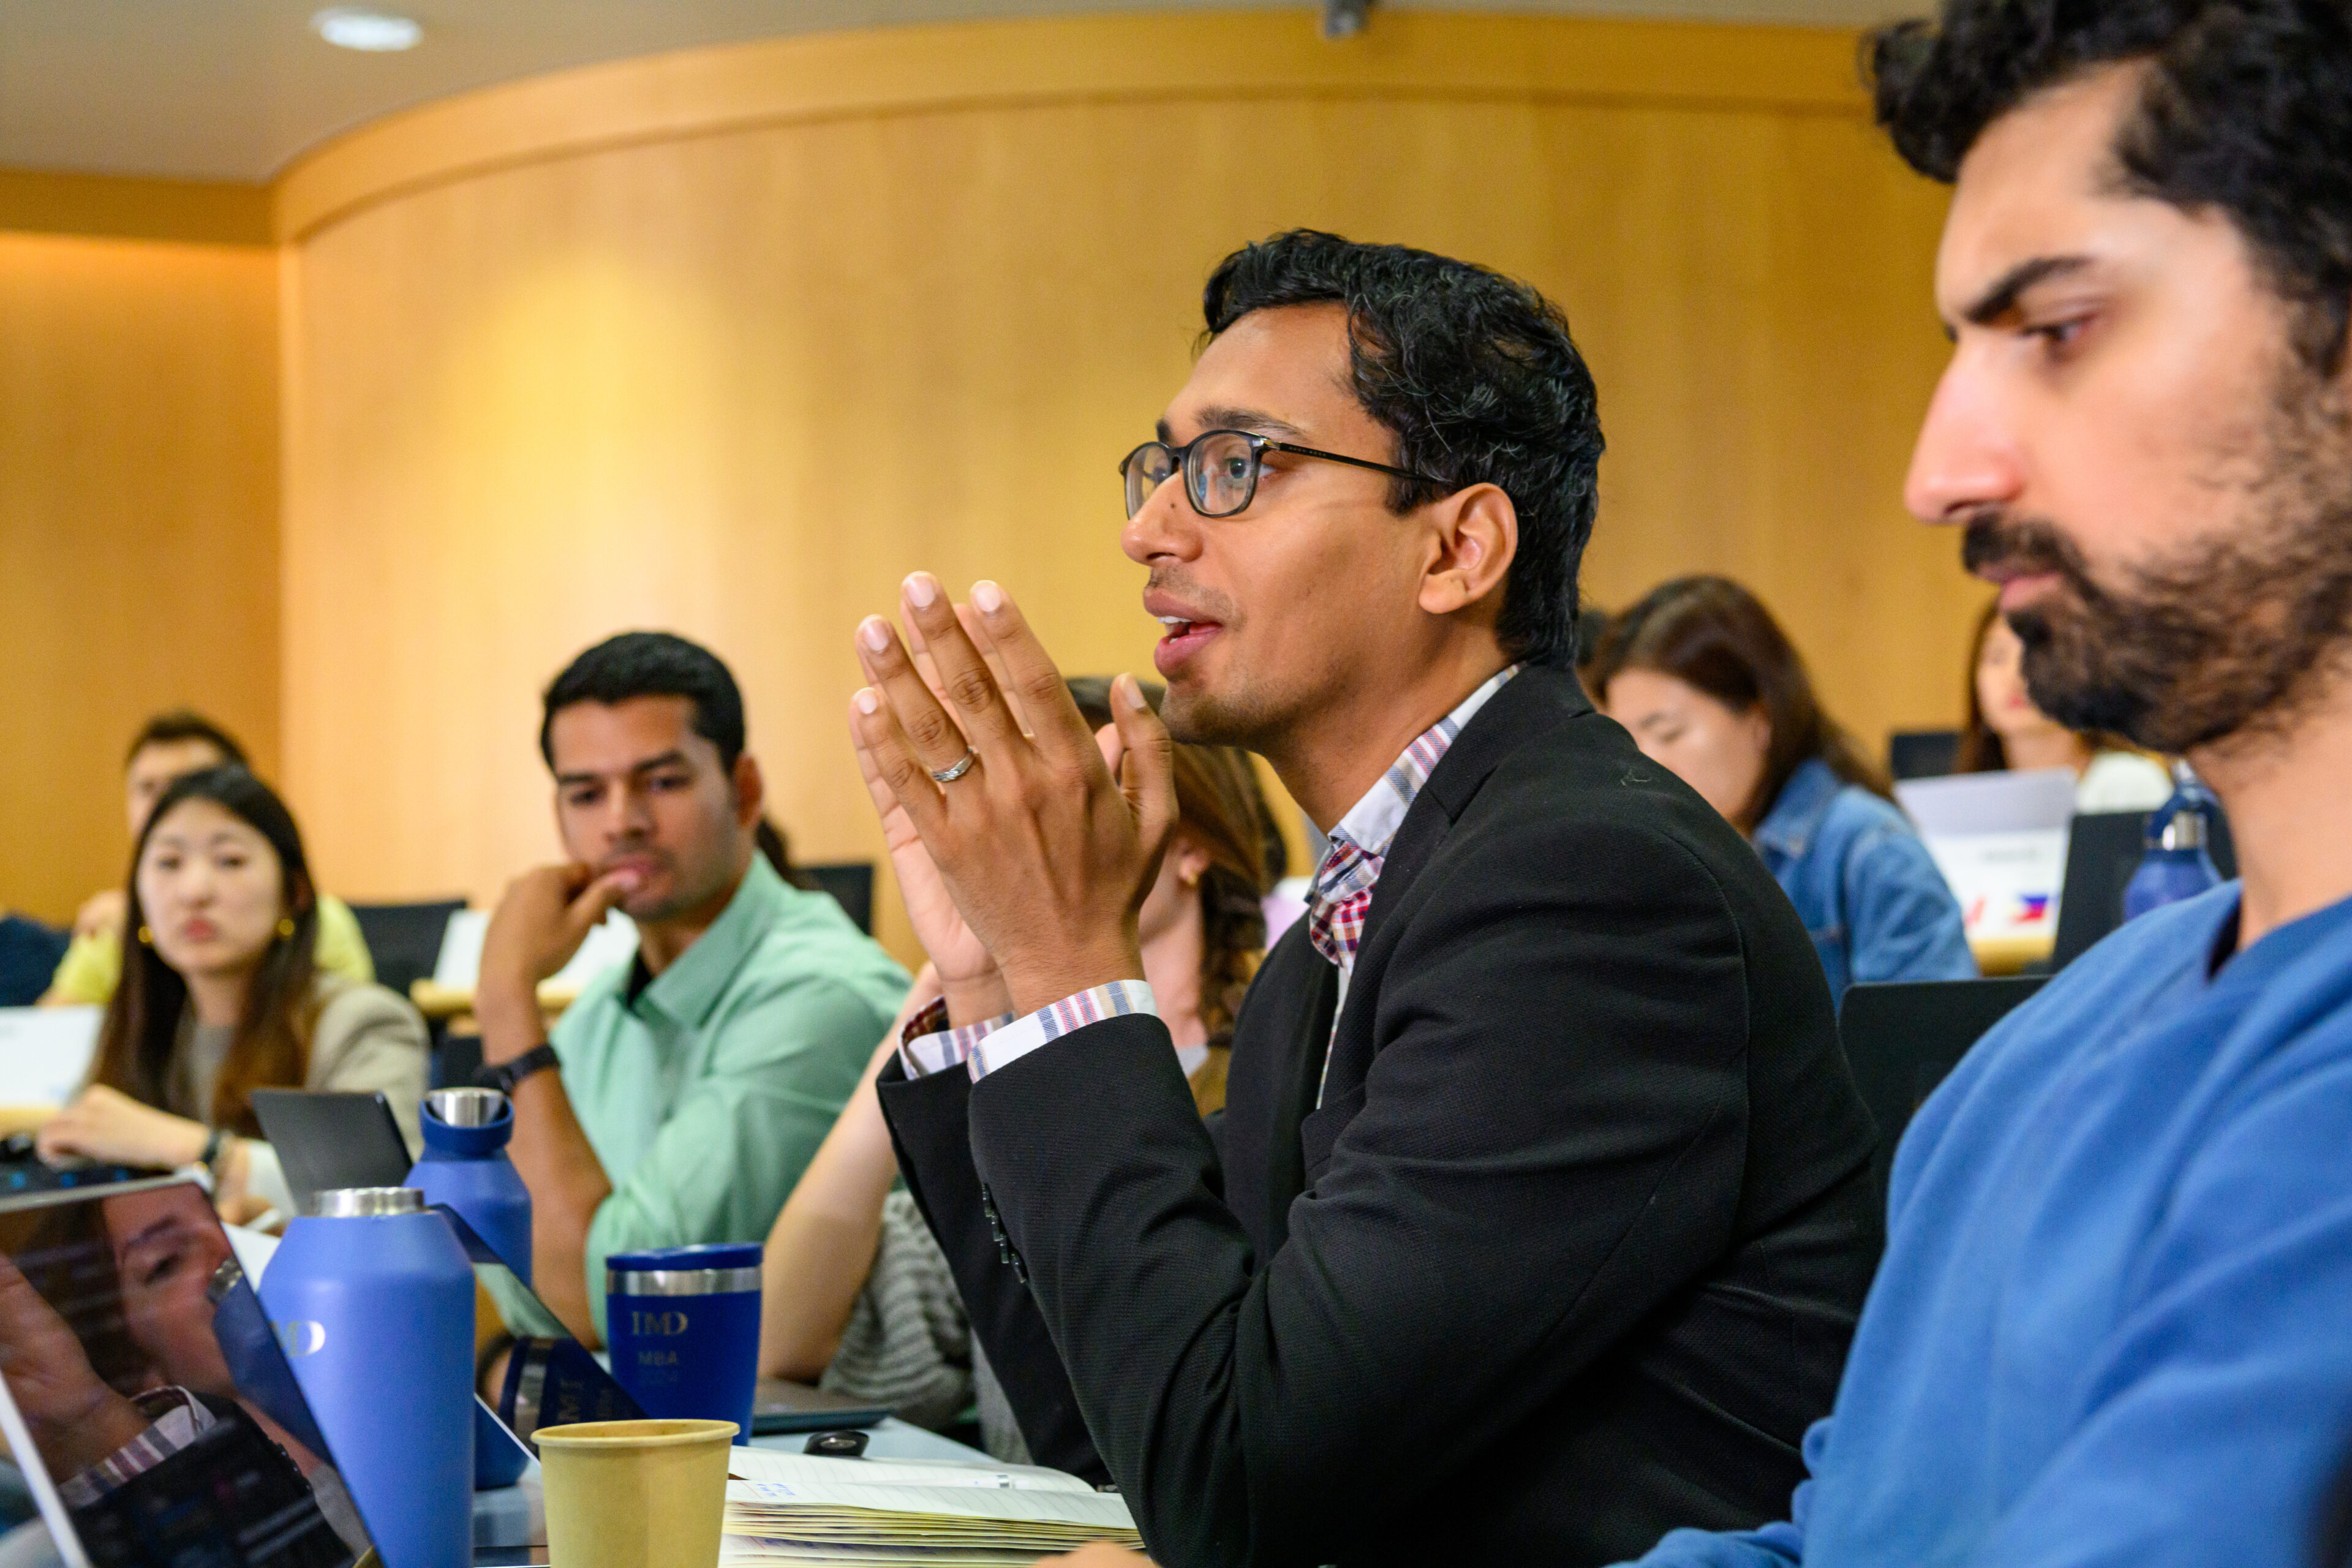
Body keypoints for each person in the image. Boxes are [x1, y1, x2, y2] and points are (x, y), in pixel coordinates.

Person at [851, 231, 1882, 1566]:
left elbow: (1238, 1481)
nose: (1147, 528)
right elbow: (1132, 1437)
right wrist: (996, 978)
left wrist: (1066, 962)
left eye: (1235, 467)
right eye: (1162, 466)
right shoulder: (1333, 945)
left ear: (1458, 547)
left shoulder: (1590, 891)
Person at [1614, 1, 2352, 1564]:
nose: (1938, 470)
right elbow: (1834, 1542)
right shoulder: (2025, 1066)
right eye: (1960, 348)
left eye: (2057, 330)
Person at [757, 676, 1274, 1456]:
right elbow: (777, 1344)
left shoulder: (1274, 1060)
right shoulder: (1005, 1064)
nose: (1017, 843)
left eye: (1068, 803)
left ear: (1188, 840)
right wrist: (949, 990)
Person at [473, 631, 908, 1344]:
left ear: (745, 792)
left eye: (662, 781)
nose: (621, 821)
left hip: (805, 1448)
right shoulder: (603, 1013)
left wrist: (506, 996)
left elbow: (618, 1303)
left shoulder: (822, 998)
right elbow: (509, 1291)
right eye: (586, 793)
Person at [34, 766, 427, 1221]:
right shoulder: (139, 1024)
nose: (195, 891)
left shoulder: (362, 1022)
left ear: (294, 894)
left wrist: (201, 1150)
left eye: (230, 861)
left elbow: (384, 1202)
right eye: (169, 863)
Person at [1588, 576, 1976, 1002]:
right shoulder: (1671, 855)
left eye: (1668, 733)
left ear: (1760, 719)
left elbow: (1927, 1057)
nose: (1644, 764)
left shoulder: (1870, 848)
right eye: (1628, 741)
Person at [42, 711, 374, 1008]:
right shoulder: (124, 923)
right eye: (147, 789)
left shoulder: (320, 922)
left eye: (230, 861)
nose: (194, 892)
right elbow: (43, 1040)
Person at [1955, 598, 2174, 809]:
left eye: (2034, 655)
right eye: (1997, 657)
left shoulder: (2128, 785)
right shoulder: (1964, 800)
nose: (2015, 676)